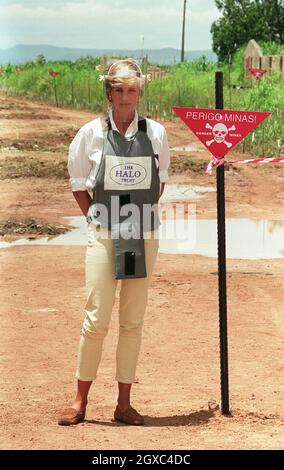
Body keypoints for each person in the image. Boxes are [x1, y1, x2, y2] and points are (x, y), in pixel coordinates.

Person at [58, 58, 170, 426]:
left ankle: (124, 404)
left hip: (142, 233)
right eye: (118, 90)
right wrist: (97, 217)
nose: (125, 97)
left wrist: (135, 216)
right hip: (105, 232)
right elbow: (78, 183)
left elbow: (160, 182)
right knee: (96, 318)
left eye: (132, 90)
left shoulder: (156, 134)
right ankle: (79, 402)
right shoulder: (89, 134)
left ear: (140, 92)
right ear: (109, 92)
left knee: (132, 321)